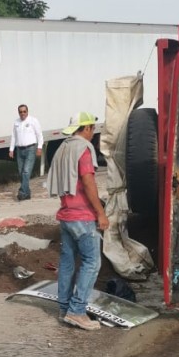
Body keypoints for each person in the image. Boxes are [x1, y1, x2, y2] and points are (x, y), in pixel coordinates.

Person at [47, 111, 109, 330]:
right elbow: (88, 181)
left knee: (67, 263)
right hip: (82, 217)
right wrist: (100, 213)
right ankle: (77, 311)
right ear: (86, 128)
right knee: (92, 263)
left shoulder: (64, 147)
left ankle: (65, 307)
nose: (93, 133)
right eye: (92, 128)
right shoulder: (84, 148)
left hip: (66, 215)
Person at [8, 105, 43, 201]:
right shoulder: (16, 122)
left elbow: (39, 135)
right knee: (21, 172)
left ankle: (22, 192)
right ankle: (27, 193)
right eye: (20, 112)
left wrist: (39, 147)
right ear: (18, 112)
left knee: (26, 171)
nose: (22, 113)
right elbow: (14, 136)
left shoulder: (33, 121)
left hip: (30, 148)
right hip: (19, 149)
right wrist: (11, 149)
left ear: (27, 111)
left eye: (24, 111)